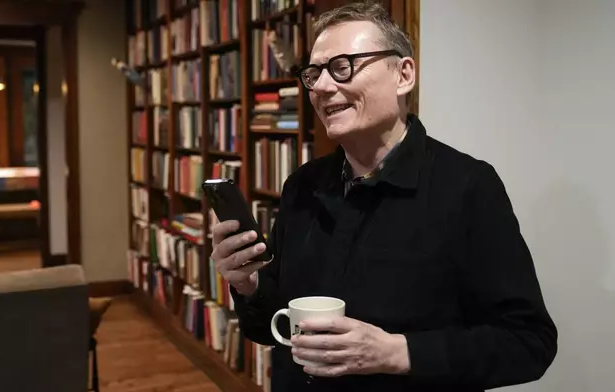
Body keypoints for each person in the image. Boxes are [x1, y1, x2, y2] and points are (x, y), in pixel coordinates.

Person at [211, 1, 558, 391]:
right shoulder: (302, 185)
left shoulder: (468, 187)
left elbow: (529, 344)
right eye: (313, 74)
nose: (322, 87)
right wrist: (247, 285)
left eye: (342, 66)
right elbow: (271, 326)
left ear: (403, 74)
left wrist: (397, 352)